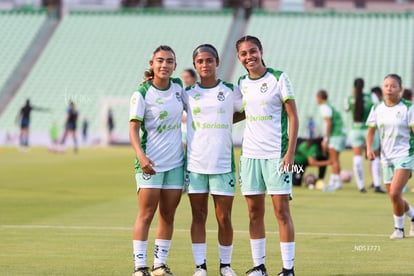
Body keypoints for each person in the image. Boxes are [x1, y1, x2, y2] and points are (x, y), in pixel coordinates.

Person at [235, 35, 299, 276]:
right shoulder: (241, 82)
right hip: (250, 155)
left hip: (277, 155)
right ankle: (259, 267)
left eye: (253, 51)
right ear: (239, 57)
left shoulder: (279, 78)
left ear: (261, 51)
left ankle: (288, 269)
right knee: (254, 213)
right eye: (244, 54)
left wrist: (290, 153)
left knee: (281, 212)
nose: (249, 57)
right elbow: (241, 113)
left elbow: (293, 116)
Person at [182, 44, 243, 276]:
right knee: (198, 216)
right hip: (195, 164)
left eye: (209, 60)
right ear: (195, 65)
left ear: (217, 62)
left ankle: (225, 266)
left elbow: (246, 110)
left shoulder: (230, 90)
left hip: (223, 163)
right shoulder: (187, 93)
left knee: (224, 217)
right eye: (200, 61)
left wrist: (227, 120)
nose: (205, 65)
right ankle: (200, 267)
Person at [129, 45, 184, 276]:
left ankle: (159, 265)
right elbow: (133, 129)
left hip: (176, 164)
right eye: (160, 60)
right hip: (150, 163)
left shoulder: (179, 87)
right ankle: (139, 267)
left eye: (169, 61)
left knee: (168, 215)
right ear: (152, 64)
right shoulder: (142, 93)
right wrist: (141, 156)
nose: (164, 65)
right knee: (146, 214)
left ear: (174, 66)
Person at [366, 74, 414, 239]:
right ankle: (413, 217)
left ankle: (399, 230)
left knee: (394, 193)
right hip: (386, 158)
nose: (389, 89)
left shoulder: (408, 108)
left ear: (400, 89)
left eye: (393, 86)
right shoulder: (377, 108)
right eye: (386, 85)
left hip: (405, 154)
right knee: (395, 196)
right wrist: (369, 148)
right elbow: (371, 131)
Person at [344, 78, 385, 193]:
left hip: (355, 130)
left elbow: (346, 109)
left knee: (357, 157)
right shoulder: (371, 96)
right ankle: (377, 184)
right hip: (369, 129)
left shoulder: (349, 98)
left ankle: (361, 186)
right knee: (375, 157)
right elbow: (379, 108)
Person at [316, 90, 346, 192]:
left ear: (320, 97)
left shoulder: (324, 107)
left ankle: (337, 183)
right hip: (340, 134)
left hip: (335, 135)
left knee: (334, 159)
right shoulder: (331, 105)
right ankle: (334, 181)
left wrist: (325, 139)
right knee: (335, 159)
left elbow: (328, 123)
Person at [180, 68, 197, 148]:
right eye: (184, 77)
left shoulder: (200, 93)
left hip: (196, 130)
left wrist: (189, 117)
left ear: (194, 78)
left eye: (187, 77)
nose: (185, 80)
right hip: (183, 130)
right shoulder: (181, 93)